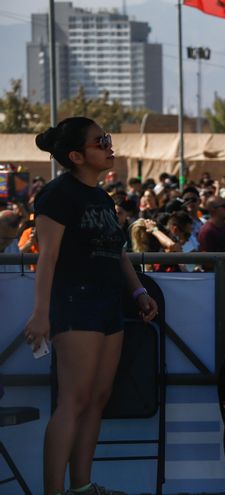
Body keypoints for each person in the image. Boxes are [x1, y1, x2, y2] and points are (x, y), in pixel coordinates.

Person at [24, 117, 159, 495]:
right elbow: (46, 257)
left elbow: (115, 252)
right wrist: (41, 313)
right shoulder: (56, 195)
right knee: (73, 401)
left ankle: (81, 488)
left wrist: (137, 292)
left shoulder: (102, 197)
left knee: (97, 400)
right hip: (74, 303)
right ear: (76, 155)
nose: (109, 145)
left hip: (106, 304)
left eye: (107, 139)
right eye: (101, 141)